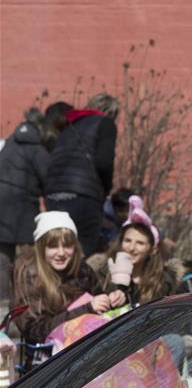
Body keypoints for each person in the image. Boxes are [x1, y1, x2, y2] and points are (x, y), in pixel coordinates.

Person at [13, 212, 123, 349]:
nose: (61, 253)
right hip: (47, 359)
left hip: (88, 349)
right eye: (53, 246)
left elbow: (100, 310)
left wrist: (112, 301)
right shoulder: (29, 275)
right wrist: (87, 308)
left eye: (67, 246)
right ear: (41, 248)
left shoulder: (82, 270)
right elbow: (33, 331)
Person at [45, 93, 119, 255]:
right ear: (112, 114)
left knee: (59, 248)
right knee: (83, 250)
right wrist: (105, 191)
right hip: (83, 196)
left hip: (53, 194)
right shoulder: (105, 123)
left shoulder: (69, 127)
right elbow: (104, 162)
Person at [0, 107, 54, 315]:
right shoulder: (37, 149)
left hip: (1, 208)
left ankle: (4, 309)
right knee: (28, 259)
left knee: (3, 262)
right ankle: (27, 305)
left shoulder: (11, 143)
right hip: (23, 210)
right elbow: (48, 179)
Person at [97, 196, 183, 307]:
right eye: (127, 241)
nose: (131, 248)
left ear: (153, 250)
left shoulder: (164, 282)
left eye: (140, 243)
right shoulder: (103, 274)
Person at [99, 187, 135, 253]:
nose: (125, 214)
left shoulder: (134, 221)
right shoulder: (105, 219)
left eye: (128, 210)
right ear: (114, 208)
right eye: (121, 211)